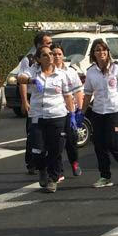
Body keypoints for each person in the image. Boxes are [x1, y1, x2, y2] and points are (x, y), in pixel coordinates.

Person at [83, 38, 118, 188]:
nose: (101, 53)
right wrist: (81, 112)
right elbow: (87, 94)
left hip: (114, 110)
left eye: (104, 50)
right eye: (98, 50)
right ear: (93, 54)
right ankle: (105, 176)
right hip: (98, 111)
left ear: (108, 52)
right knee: (99, 145)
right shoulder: (91, 72)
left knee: (113, 143)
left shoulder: (116, 69)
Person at [26, 45, 79, 193]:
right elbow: (20, 78)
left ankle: (52, 179)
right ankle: (42, 169)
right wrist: (32, 80)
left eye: (51, 54)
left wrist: (72, 115)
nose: (50, 56)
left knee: (55, 151)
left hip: (57, 116)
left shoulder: (61, 75)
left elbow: (68, 96)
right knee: (37, 149)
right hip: (37, 116)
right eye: (45, 55)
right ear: (38, 59)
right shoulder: (33, 71)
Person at [18, 31, 52, 174]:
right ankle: (31, 162)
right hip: (35, 99)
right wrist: (25, 101)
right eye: (47, 43)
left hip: (50, 102)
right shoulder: (29, 60)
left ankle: (49, 163)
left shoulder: (52, 57)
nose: (50, 46)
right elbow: (23, 81)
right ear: (39, 45)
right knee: (33, 133)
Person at [52, 45, 84, 177]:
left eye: (59, 54)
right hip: (56, 112)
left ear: (63, 55)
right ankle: (58, 170)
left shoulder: (70, 72)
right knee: (57, 143)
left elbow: (77, 91)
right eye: (54, 54)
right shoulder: (48, 72)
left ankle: (74, 163)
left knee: (71, 141)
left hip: (70, 112)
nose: (57, 56)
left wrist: (80, 110)